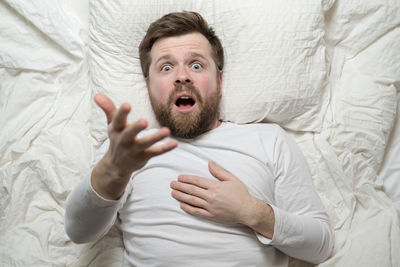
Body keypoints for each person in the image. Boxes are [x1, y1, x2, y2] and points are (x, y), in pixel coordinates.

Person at [65, 11, 333, 266]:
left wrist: (253, 211)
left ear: (219, 79)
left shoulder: (269, 140)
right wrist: (113, 172)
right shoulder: (127, 149)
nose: (182, 76)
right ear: (148, 85)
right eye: (166, 67)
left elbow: (321, 246)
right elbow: (79, 231)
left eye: (196, 64)